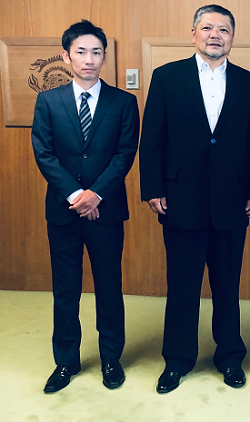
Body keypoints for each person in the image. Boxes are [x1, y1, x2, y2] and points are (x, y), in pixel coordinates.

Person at [139, 4, 250, 394]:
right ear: (193, 33)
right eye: (208, 28)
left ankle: (230, 357)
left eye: (224, 29)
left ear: (232, 38)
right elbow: (152, 138)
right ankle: (177, 360)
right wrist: (153, 188)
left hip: (232, 201)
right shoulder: (167, 77)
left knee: (228, 286)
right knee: (182, 285)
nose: (215, 35)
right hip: (181, 199)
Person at [31, 20, 139, 393]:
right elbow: (44, 153)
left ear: (104, 57)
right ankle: (66, 362)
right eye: (81, 52)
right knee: (66, 289)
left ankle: (111, 358)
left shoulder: (123, 102)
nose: (89, 59)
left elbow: (125, 154)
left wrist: (96, 194)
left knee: (109, 286)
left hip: (106, 210)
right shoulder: (48, 101)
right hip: (63, 212)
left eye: (96, 52)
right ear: (66, 56)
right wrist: (77, 196)